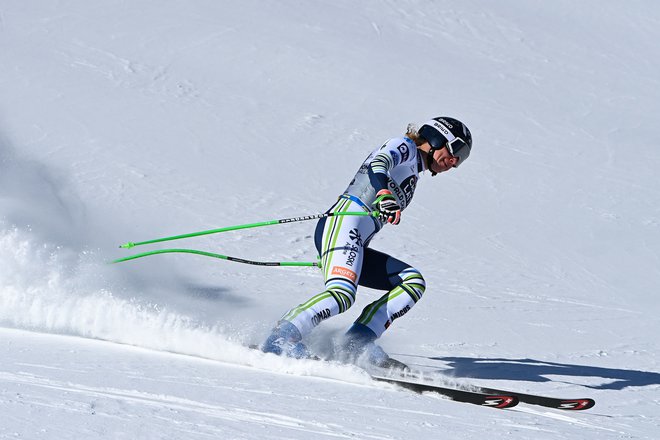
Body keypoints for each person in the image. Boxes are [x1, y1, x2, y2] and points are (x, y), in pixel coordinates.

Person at [261, 116, 473, 369]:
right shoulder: (404, 146)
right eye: (457, 152)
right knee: (342, 295)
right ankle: (281, 337)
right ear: (439, 138)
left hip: (357, 241)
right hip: (342, 224)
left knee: (412, 282)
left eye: (461, 159)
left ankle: (356, 342)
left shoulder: (414, 173)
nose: (455, 163)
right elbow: (378, 163)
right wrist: (384, 193)